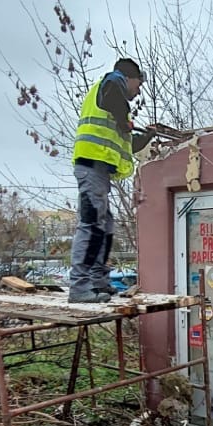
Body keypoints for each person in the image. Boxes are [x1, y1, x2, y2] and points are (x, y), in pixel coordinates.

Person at [69, 57, 146, 302]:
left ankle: (98, 282)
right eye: (138, 85)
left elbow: (126, 144)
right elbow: (113, 94)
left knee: (105, 226)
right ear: (129, 78)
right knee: (92, 224)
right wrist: (125, 121)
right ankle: (79, 287)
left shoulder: (112, 100)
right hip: (91, 166)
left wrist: (147, 136)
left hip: (97, 170)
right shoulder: (113, 82)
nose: (138, 91)